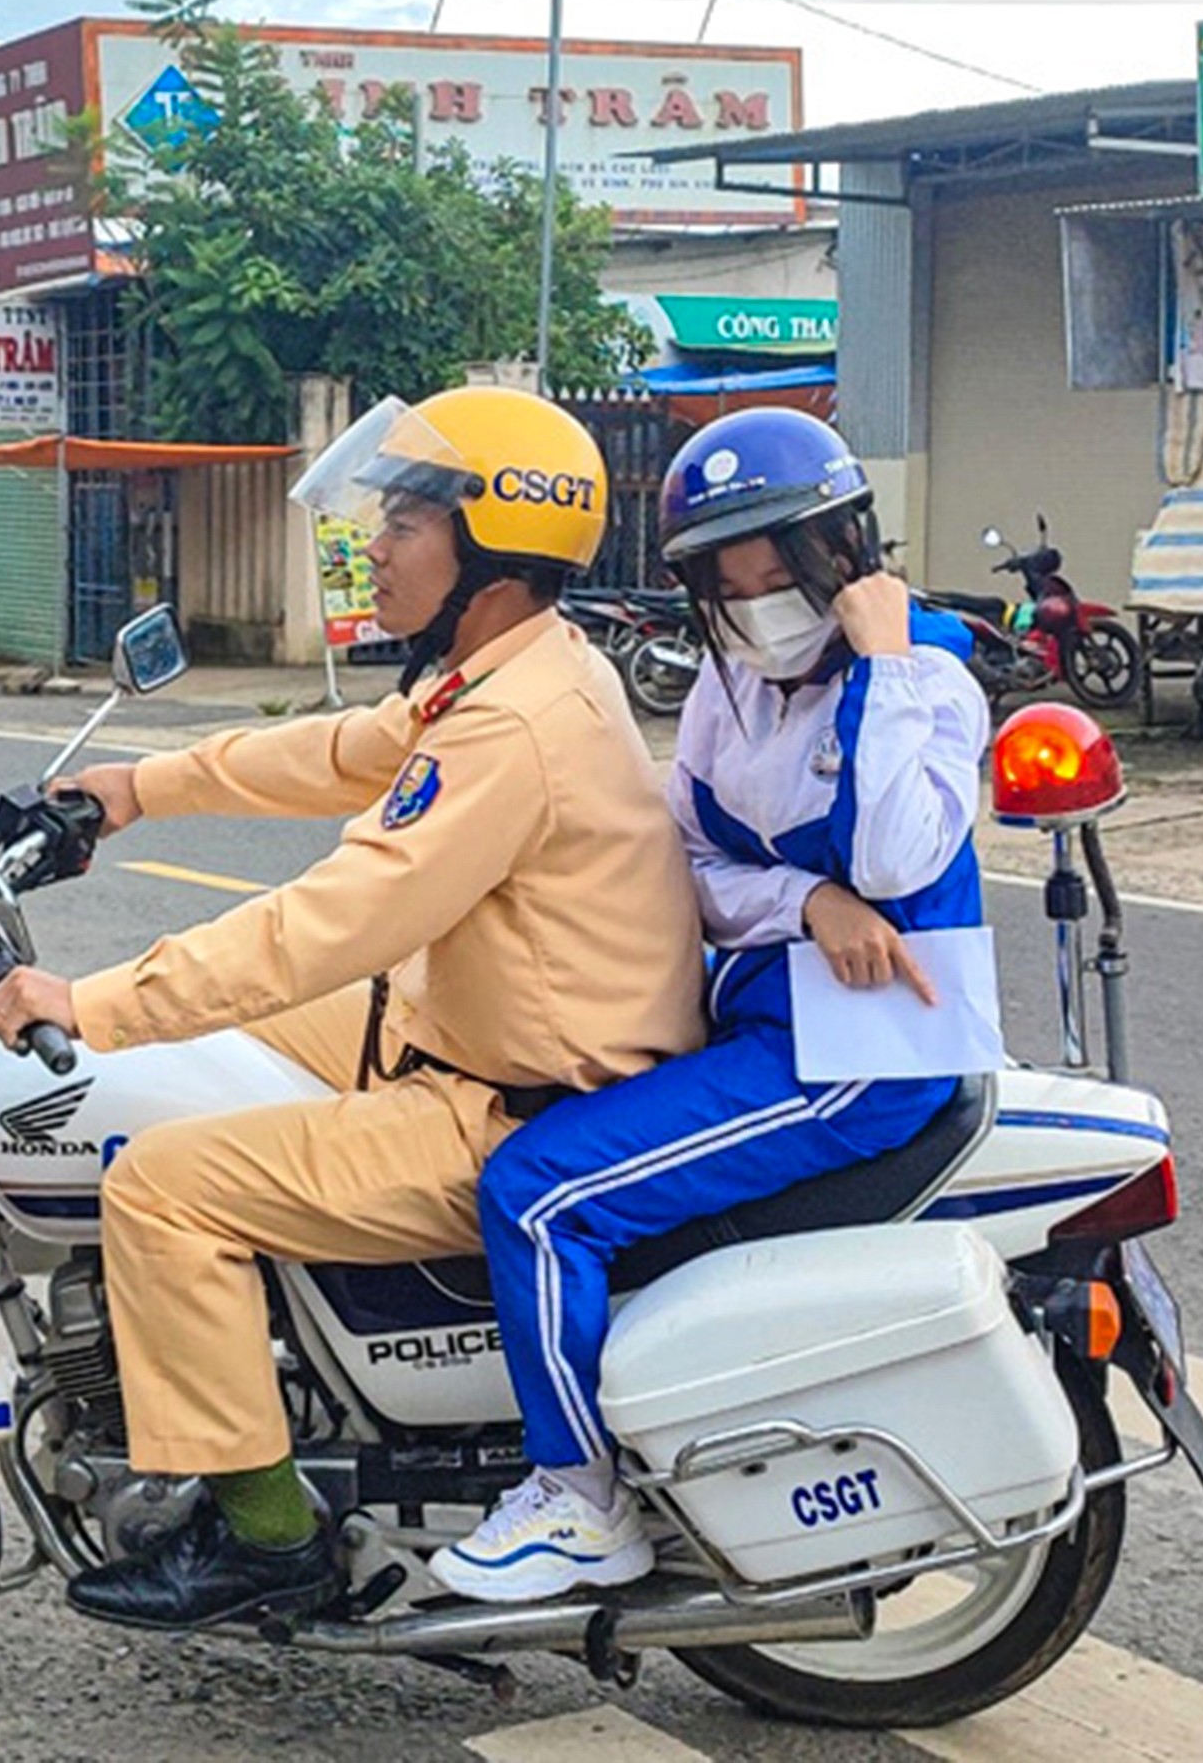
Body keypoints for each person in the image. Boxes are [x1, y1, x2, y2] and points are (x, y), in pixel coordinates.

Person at [0, 387, 708, 1630]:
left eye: (409, 523)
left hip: (514, 1103)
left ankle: (269, 1537)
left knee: (159, 1185)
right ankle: (267, 1348)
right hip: (476, 1030)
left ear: (491, 554)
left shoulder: (512, 728)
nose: (375, 544)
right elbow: (334, 751)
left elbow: (326, 926)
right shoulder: (501, 674)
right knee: (214, 1033)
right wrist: (133, 789)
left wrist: (87, 1004)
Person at [425, 407, 992, 1602]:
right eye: (728, 585)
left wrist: (880, 656)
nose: (759, 604)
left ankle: (577, 1501)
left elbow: (892, 856)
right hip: (755, 1009)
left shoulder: (926, 676)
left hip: (858, 1053)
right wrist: (804, 902)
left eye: (779, 572)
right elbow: (686, 862)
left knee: (535, 1194)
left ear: (840, 554)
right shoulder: (730, 689)